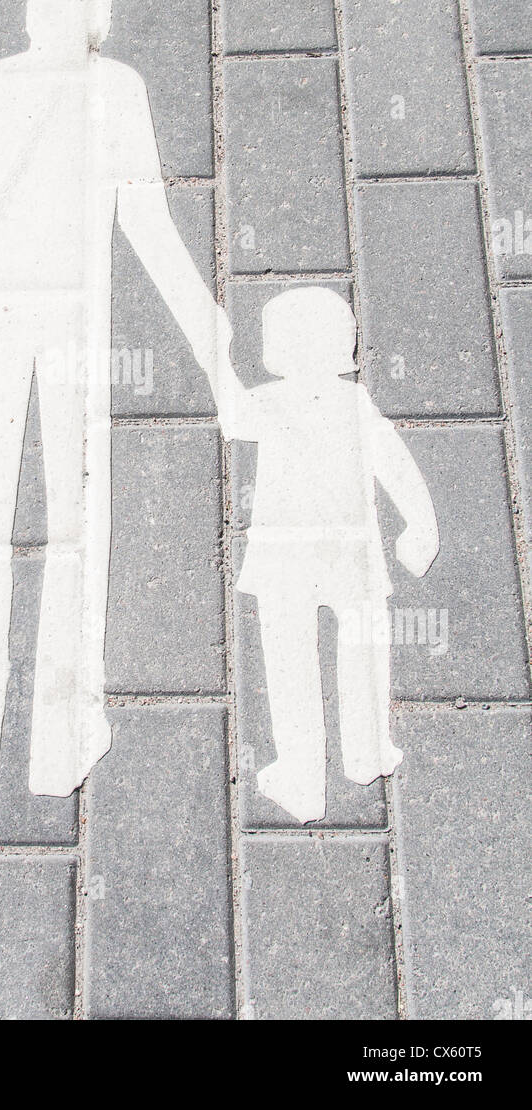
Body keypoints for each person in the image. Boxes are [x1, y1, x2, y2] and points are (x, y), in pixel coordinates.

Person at [0, 0, 237, 847]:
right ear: (90, 16)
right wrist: (212, 349)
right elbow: (147, 222)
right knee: (77, 519)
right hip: (74, 316)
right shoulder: (115, 87)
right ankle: (59, 737)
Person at [225, 287, 439, 824]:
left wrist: (215, 353)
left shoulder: (270, 400)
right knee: (363, 651)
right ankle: (365, 751)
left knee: (290, 661)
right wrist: (419, 522)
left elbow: (231, 416)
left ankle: (301, 771)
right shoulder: (355, 402)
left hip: (286, 556)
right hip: (350, 550)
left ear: (277, 349)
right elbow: (393, 459)